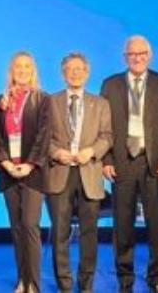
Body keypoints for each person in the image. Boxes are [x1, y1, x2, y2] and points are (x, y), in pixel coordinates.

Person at [100, 35, 158, 293]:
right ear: (125, 57)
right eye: (132, 54)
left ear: (149, 56)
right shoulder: (110, 85)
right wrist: (106, 159)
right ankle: (125, 277)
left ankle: (156, 277)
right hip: (122, 163)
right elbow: (103, 127)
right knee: (122, 225)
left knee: (156, 225)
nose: (137, 58)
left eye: (142, 53)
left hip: (154, 163)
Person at [45, 52, 112, 293]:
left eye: (79, 69)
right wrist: (56, 153)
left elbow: (107, 136)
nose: (75, 73)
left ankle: (86, 285)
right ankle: (64, 284)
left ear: (87, 73)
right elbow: (43, 138)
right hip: (59, 172)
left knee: (89, 233)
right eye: (70, 69)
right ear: (63, 73)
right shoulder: (50, 102)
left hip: (89, 172)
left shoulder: (100, 103)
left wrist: (92, 151)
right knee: (59, 233)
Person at [0, 51, 49, 293]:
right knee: (17, 229)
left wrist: (29, 164)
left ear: (33, 70)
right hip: (9, 172)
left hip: (33, 173)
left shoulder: (42, 99)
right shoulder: (2, 101)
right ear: (11, 70)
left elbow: (44, 136)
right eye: (18, 66)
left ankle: (33, 283)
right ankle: (22, 280)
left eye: (27, 66)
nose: (22, 70)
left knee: (30, 225)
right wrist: (5, 163)